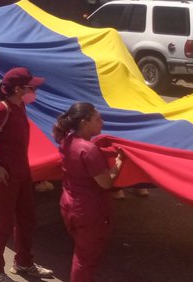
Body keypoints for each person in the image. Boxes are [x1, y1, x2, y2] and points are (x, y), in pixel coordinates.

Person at [0, 68, 55, 282]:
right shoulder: (1, 109)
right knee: (2, 222)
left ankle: (23, 263)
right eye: (30, 87)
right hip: (2, 176)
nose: (34, 91)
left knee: (27, 218)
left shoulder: (20, 105)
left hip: (20, 172)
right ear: (17, 89)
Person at [53, 102, 122, 282]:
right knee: (86, 259)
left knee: (83, 253)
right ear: (84, 123)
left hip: (69, 205)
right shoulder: (88, 150)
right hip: (88, 211)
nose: (102, 122)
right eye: (98, 119)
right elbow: (106, 183)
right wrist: (119, 164)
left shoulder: (66, 140)